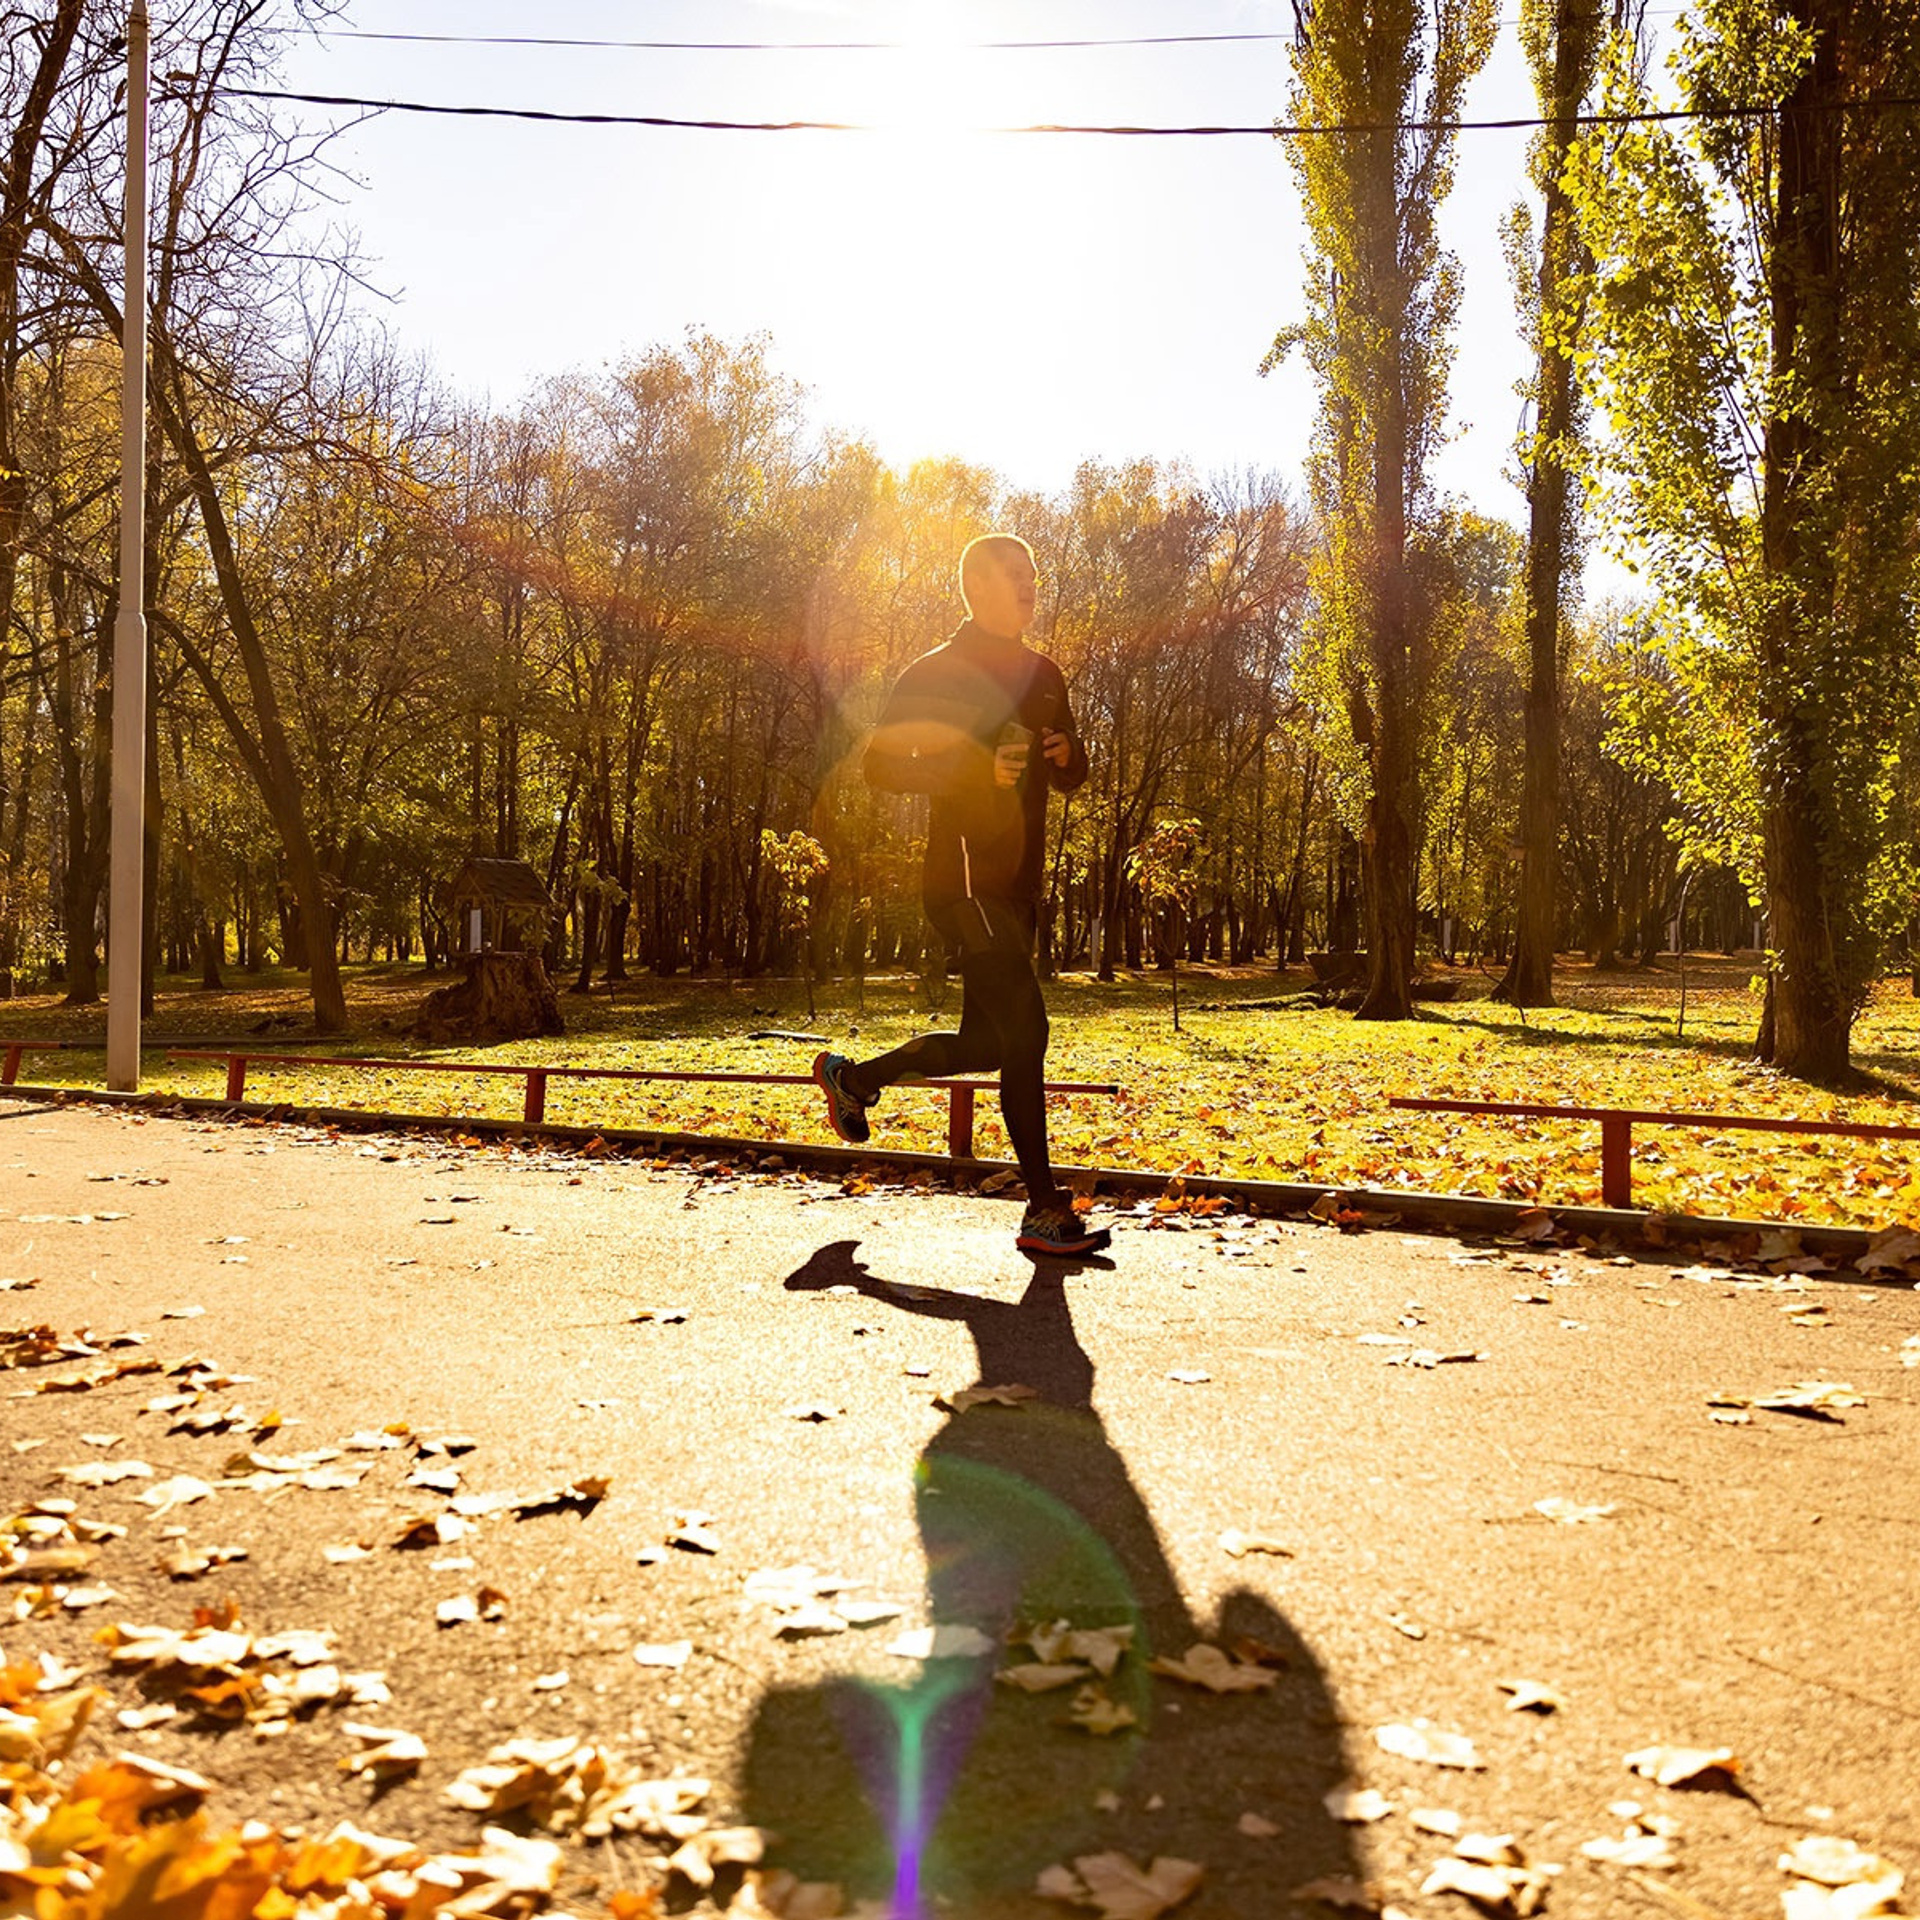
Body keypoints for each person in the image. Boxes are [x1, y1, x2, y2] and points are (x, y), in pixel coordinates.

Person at [813, 534, 1110, 1257]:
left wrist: (1071, 757)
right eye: (1016, 575)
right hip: (963, 878)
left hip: (1018, 882)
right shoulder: (935, 672)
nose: (1030, 584)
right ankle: (1043, 1209)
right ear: (977, 585)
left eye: (1033, 575)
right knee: (1028, 1032)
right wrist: (971, 770)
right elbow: (883, 767)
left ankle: (853, 1078)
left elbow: (1069, 773)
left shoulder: (1045, 675)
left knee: (985, 1041)